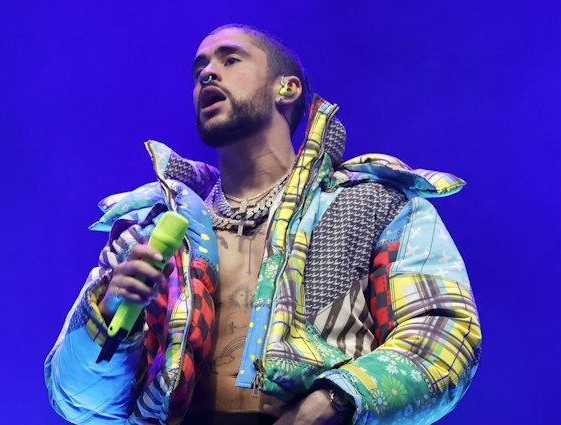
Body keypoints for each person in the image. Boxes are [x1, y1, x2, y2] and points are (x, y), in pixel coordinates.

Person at [44, 24, 481, 425]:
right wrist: (108, 312)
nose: (207, 75)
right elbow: (79, 402)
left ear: (286, 88)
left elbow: (445, 333)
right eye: (200, 68)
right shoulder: (155, 222)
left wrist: (335, 400)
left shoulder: (372, 203)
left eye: (229, 60)